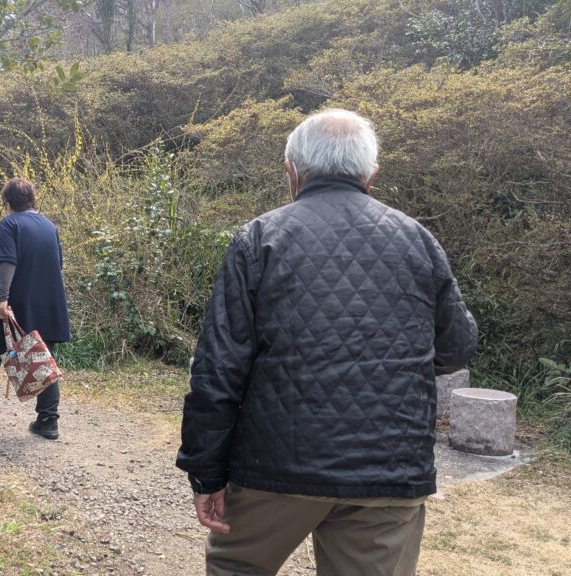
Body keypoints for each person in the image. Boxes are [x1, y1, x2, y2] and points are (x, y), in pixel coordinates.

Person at [177, 109, 478, 576]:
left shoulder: (259, 239)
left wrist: (207, 473)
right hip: (390, 469)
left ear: (292, 171)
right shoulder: (418, 239)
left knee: (237, 567)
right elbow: (457, 347)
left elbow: (218, 369)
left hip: (274, 465)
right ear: (371, 174)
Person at [0, 177, 71, 439]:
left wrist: (1, 300)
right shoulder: (49, 225)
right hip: (49, 301)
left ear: (7, 202)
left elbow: (7, 262)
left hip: (16, 302)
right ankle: (48, 420)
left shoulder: (9, 224)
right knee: (44, 356)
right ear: (32, 199)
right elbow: (57, 264)